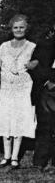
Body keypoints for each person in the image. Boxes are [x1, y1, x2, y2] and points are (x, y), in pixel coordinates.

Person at [0, 14, 38, 169]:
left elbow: (38, 64)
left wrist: (33, 64)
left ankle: (14, 157)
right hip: (6, 88)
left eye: (22, 27)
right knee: (6, 120)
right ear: (11, 29)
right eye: (15, 27)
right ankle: (5, 156)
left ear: (27, 28)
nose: (18, 30)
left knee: (19, 121)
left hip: (23, 87)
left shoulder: (32, 46)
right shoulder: (4, 46)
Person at [30, 39, 55, 172]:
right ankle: (39, 161)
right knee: (44, 126)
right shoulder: (45, 44)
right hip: (46, 90)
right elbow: (35, 66)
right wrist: (47, 81)